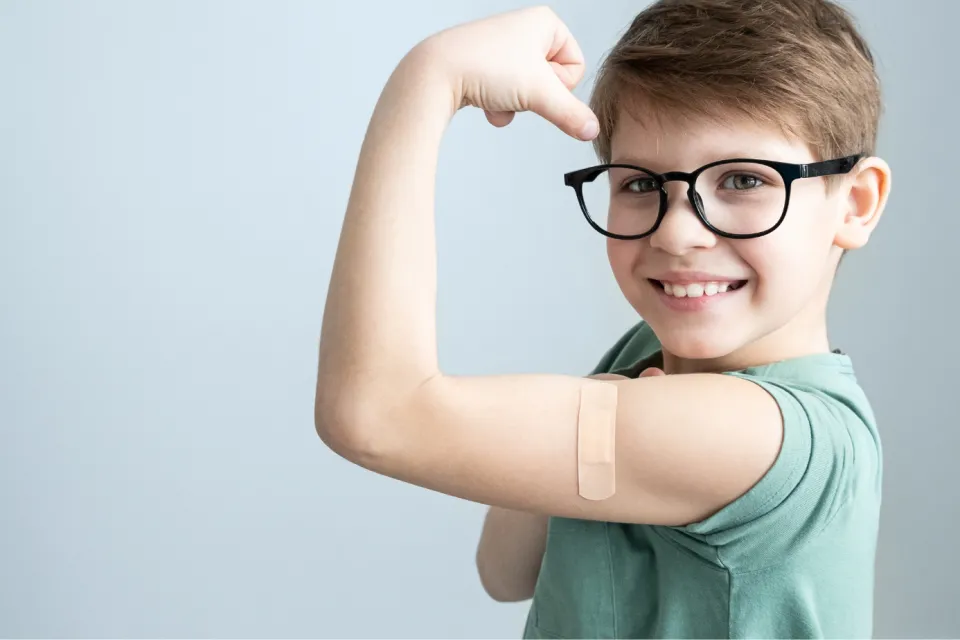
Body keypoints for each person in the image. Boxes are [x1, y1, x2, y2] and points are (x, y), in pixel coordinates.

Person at [314, 0, 892, 637]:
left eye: (744, 180)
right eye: (642, 185)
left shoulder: (766, 436)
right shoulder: (648, 348)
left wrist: (429, 77)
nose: (677, 232)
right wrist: (608, 408)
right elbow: (504, 570)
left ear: (856, 204)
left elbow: (373, 415)